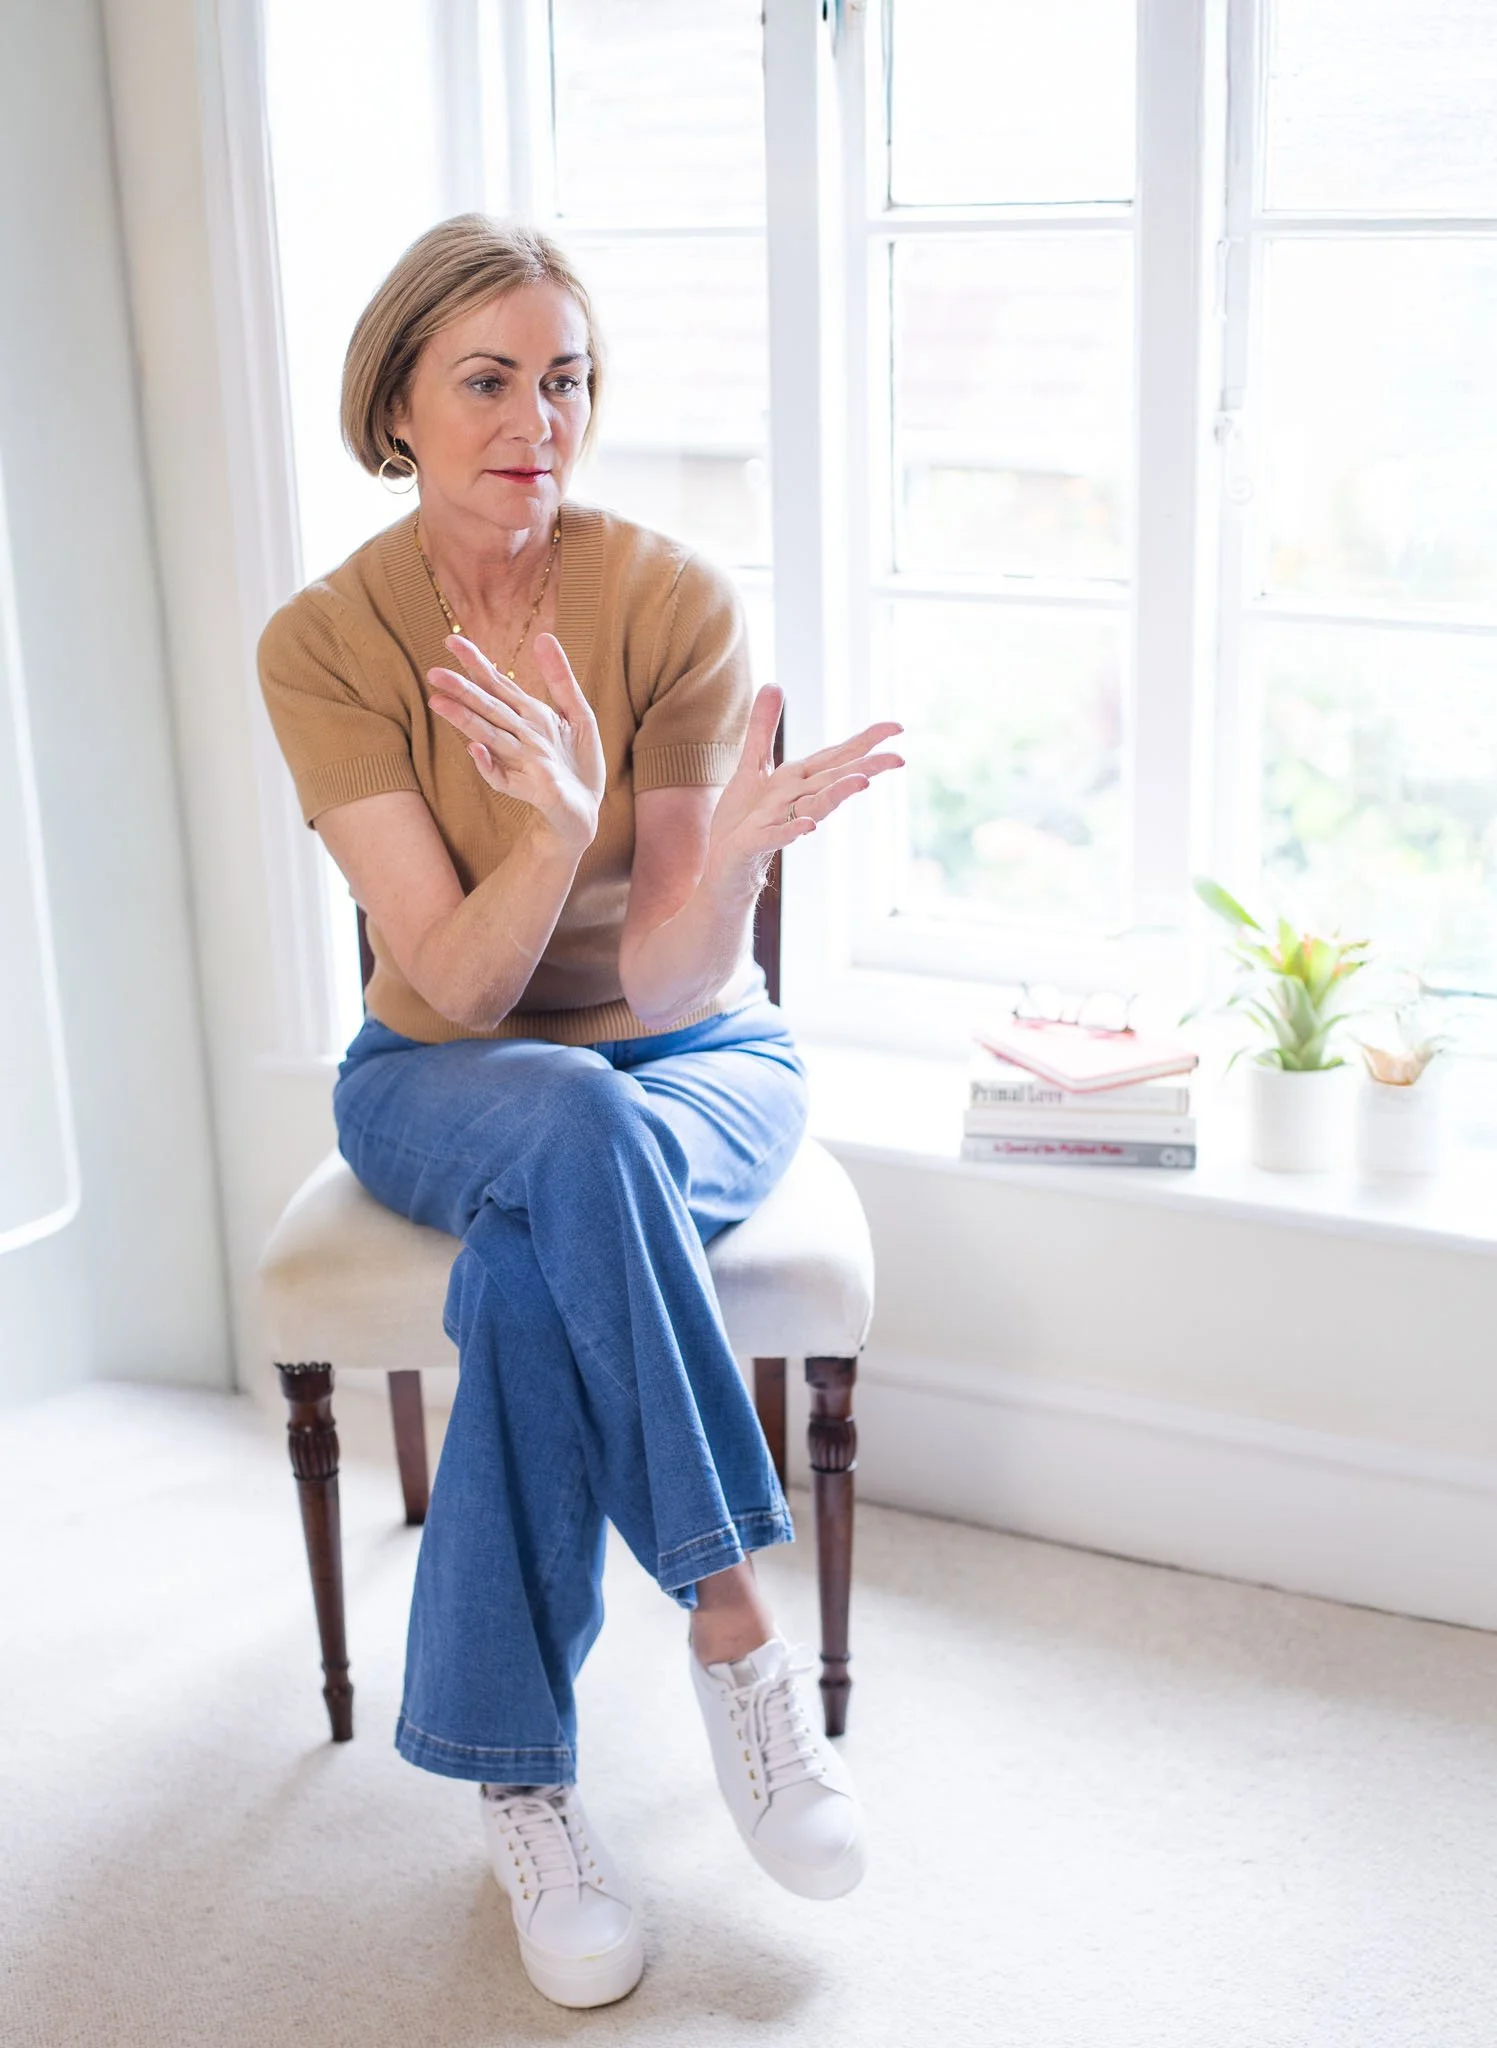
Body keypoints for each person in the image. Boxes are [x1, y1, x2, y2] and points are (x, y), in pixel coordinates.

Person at [257, 214, 903, 2010]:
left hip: (694, 1067)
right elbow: (454, 992)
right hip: (441, 1077)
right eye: (487, 378)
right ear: (395, 402)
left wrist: (739, 851)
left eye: (567, 377)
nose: (538, 415)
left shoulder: (672, 597)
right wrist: (549, 828)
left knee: (542, 1258)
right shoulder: (323, 644)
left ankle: (520, 1781)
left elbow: (686, 982)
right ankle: (733, 1624)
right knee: (558, 1120)